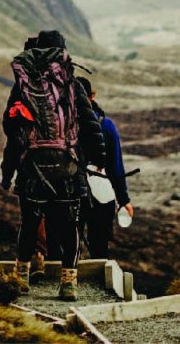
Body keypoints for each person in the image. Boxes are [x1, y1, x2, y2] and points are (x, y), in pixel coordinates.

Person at [0, 30, 105, 301]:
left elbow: (11, 129)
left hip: (31, 170)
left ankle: (20, 278)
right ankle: (68, 284)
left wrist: (8, 170)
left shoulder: (22, 86)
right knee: (70, 227)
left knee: (30, 222)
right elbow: (91, 124)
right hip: (68, 170)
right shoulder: (71, 83)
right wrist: (97, 159)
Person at [78, 77, 133, 259]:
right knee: (99, 244)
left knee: (66, 242)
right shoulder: (105, 125)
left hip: (68, 188)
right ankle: (99, 281)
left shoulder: (61, 124)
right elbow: (115, 166)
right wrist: (123, 199)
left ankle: (66, 278)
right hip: (101, 190)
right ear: (91, 97)